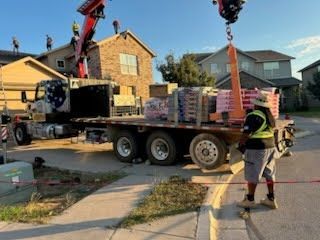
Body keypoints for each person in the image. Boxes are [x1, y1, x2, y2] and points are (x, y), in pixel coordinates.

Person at [237, 93, 278, 209]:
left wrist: (240, 145)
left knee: (252, 174)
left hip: (256, 149)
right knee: (269, 174)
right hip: (270, 147)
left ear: (256, 104)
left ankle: (250, 200)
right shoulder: (270, 117)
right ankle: (271, 199)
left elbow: (246, 134)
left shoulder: (253, 116)